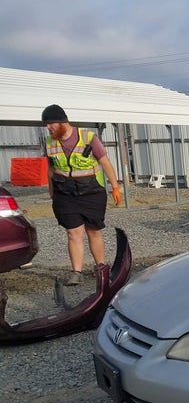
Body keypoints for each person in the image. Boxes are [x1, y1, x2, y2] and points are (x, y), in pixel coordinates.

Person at [42, 104, 122, 286]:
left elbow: (105, 162)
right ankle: (76, 272)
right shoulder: (50, 142)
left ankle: (100, 267)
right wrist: (52, 191)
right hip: (65, 194)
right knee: (73, 233)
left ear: (62, 121)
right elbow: (50, 169)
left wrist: (115, 187)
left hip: (91, 192)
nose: (48, 127)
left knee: (93, 231)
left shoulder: (88, 137)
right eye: (46, 124)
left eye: (50, 123)